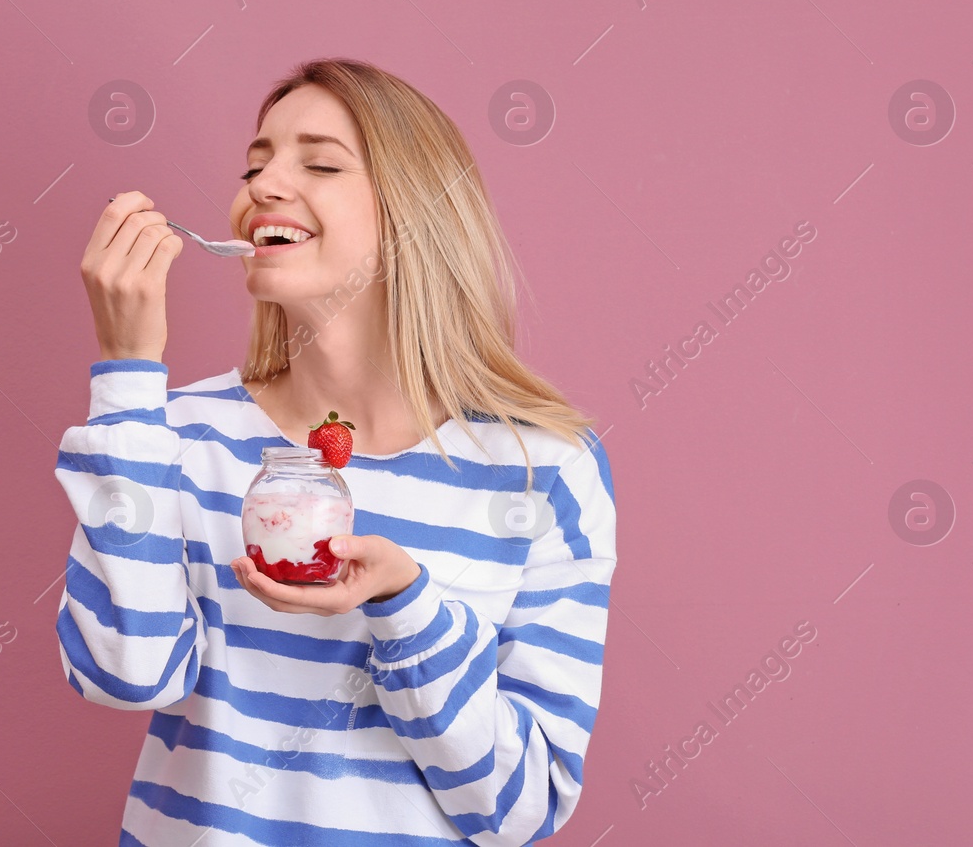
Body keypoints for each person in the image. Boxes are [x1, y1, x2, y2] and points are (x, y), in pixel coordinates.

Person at [54, 57, 617, 845]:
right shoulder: (171, 432)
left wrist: (406, 606)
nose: (263, 185)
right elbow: (124, 671)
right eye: (255, 164)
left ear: (415, 216)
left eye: (318, 162)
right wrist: (126, 375)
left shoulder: (544, 471)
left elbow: (517, 811)